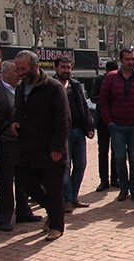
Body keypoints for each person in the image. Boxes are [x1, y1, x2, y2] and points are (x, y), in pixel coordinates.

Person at [10, 50, 70, 242]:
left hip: (51, 150)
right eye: (17, 69)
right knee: (26, 183)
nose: (20, 73)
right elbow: (18, 111)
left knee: (54, 190)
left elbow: (63, 120)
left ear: (35, 67)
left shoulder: (53, 87)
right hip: (28, 150)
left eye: (23, 68)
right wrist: (14, 122)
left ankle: (56, 226)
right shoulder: (20, 88)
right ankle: (53, 211)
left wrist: (57, 148)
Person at [0, 60, 41, 232]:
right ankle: (4, 216)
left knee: (24, 178)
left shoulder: (22, 90)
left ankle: (23, 211)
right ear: (4, 73)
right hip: (5, 141)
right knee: (6, 180)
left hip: (23, 141)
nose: (18, 74)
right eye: (15, 71)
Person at [99, 47, 134, 202]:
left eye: (132, 59)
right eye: (127, 59)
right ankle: (124, 188)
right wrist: (109, 121)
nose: (130, 62)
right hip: (117, 125)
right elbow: (103, 100)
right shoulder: (111, 77)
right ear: (121, 60)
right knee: (120, 158)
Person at [53, 57, 95, 213]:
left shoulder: (75, 85)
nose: (66, 70)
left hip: (79, 131)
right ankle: (67, 199)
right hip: (62, 133)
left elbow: (84, 106)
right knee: (65, 166)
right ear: (56, 68)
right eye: (63, 67)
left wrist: (89, 126)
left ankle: (73, 196)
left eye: (68, 67)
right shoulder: (52, 86)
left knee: (81, 164)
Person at [91, 60, 119, 192]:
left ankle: (115, 178)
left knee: (116, 152)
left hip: (116, 120)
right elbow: (93, 97)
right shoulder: (99, 80)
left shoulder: (119, 79)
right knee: (103, 151)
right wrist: (105, 98)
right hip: (102, 120)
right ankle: (104, 180)